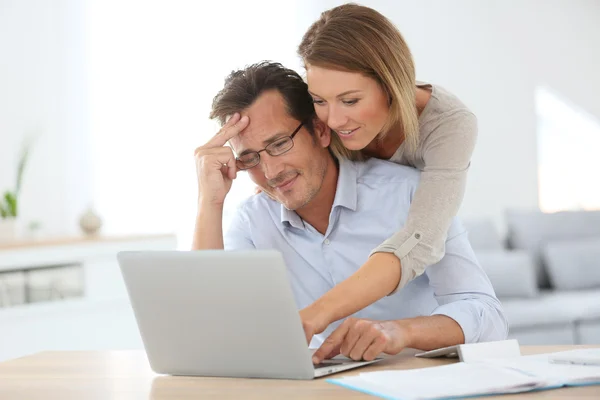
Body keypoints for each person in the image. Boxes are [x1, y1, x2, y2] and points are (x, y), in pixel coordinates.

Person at [192, 62, 507, 363]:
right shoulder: (252, 221)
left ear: (320, 131)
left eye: (279, 144)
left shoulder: (408, 193)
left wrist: (402, 331)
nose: (271, 171)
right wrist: (210, 200)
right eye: (250, 158)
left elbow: (488, 316)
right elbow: (212, 332)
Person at [295, 3, 480, 345]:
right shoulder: (325, 118)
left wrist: (317, 314)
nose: (333, 121)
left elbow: (420, 240)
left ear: (392, 84)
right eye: (319, 100)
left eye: (350, 101)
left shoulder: (449, 124)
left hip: (412, 262)